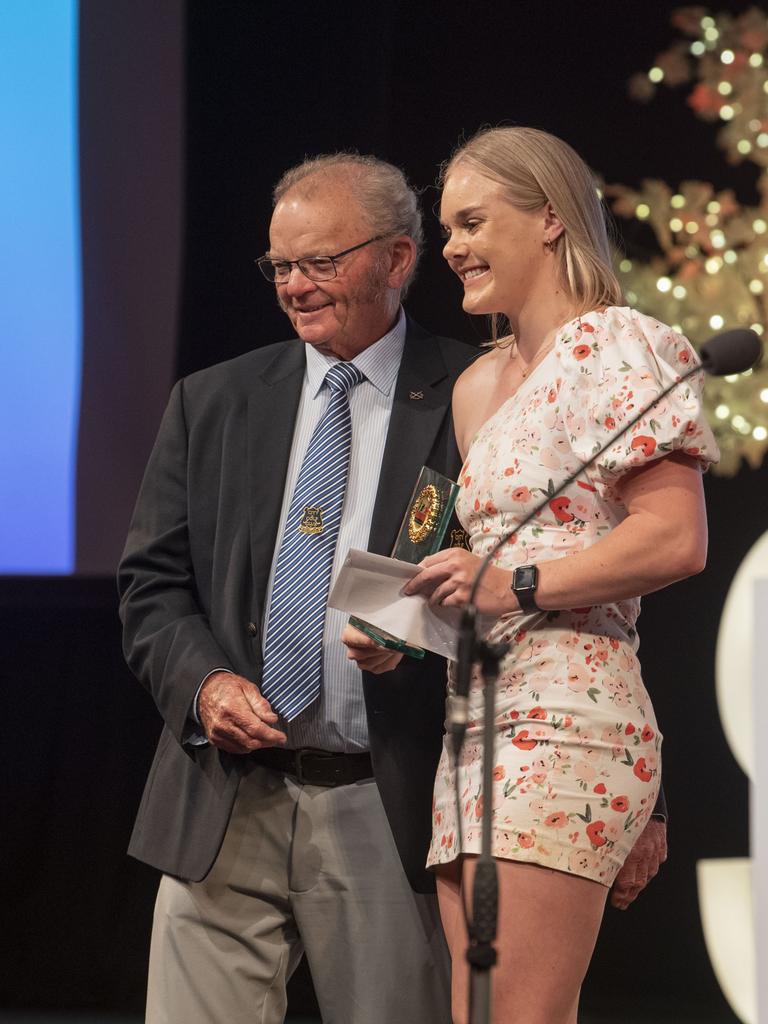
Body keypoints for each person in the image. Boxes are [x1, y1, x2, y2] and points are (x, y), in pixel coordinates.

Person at [118, 153, 474, 1024]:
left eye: (321, 262)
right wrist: (203, 684)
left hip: (384, 797)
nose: (295, 287)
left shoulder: (475, 394)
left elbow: (516, 594)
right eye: (281, 266)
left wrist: (418, 643)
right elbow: (152, 587)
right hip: (223, 795)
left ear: (398, 259)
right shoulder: (213, 400)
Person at [398, 127, 717, 1023]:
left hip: (571, 717)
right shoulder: (476, 384)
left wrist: (518, 584)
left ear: (547, 218)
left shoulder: (620, 345)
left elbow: (675, 538)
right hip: (476, 724)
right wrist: (401, 626)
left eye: (472, 221)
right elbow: (481, 571)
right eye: (446, 228)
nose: (452, 248)